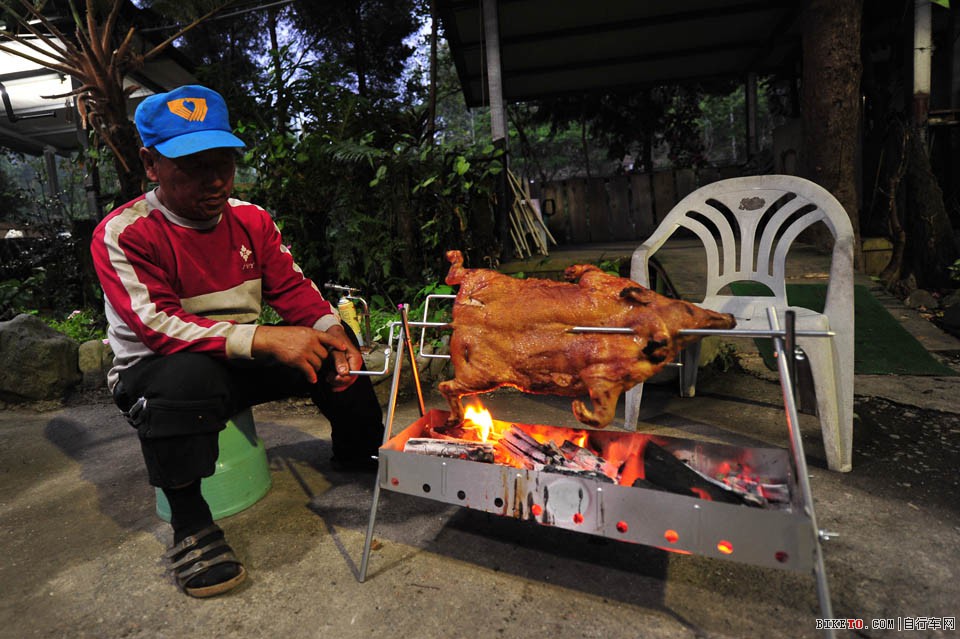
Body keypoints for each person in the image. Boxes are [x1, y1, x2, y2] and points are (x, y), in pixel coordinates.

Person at [90, 84, 384, 599]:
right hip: (158, 371)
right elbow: (158, 325)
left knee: (337, 347)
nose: (216, 180)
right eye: (193, 164)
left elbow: (294, 289)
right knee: (186, 376)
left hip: (239, 356)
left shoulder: (251, 219)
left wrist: (331, 331)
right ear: (151, 164)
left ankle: (359, 452)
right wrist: (268, 337)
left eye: (223, 160)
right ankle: (191, 525)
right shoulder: (126, 233)